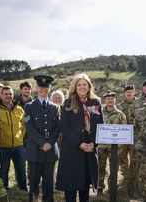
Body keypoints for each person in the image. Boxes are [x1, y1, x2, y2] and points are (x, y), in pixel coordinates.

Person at [56, 73, 104, 202]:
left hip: (89, 151)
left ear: (89, 86)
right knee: (70, 188)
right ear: (75, 87)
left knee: (84, 188)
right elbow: (64, 128)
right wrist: (79, 144)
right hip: (72, 150)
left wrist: (94, 144)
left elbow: (101, 127)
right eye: (79, 85)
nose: (82, 87)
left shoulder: (96, 103)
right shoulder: (68, 103)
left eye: (85, 84)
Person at [25, 75, 60, 202]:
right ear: (36, 88)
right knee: (33, 182)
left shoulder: (55, 107)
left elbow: (57, 128)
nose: (43, 89)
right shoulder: (29, 107)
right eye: (41, 86)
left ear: (49, 88)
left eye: (46, 87)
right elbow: (29, 128)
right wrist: (42, 143)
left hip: (50, 151)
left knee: (49, 183)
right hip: (35, 150)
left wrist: (49, 143)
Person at [0, 86, 27, 190]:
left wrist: (20, 138)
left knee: (21, 169)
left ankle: (22, 188)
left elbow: (24, 125)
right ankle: (3, 189)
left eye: (10, 94)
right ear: (1, 95)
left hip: (19, 146)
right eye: (6, 94)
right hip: (3, 146)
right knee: (3, 170)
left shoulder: (19, 109)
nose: (8, 96)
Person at [98, 91, 127, 195]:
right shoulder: (99, 112)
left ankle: (111, 189)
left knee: (113, 168)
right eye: (108, 98)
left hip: (114, 147)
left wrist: (121, 146)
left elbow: (125, 130)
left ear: (115, 100)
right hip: (101, 145)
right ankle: (100, 188)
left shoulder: (120, 114)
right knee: (100, 168)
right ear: (105, 100)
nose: (110, 100)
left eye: (112, 98)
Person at [116, 85, 137, 183]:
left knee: (135, 157)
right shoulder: (119, 106)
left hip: (136, 136)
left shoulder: (140, 104)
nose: (129, 93)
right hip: (123, 137)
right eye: (127, 92)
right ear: (124, 94)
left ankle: (134, 179)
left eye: (131, 91)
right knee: (123, 157)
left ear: (134, 92)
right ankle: (125, 179)